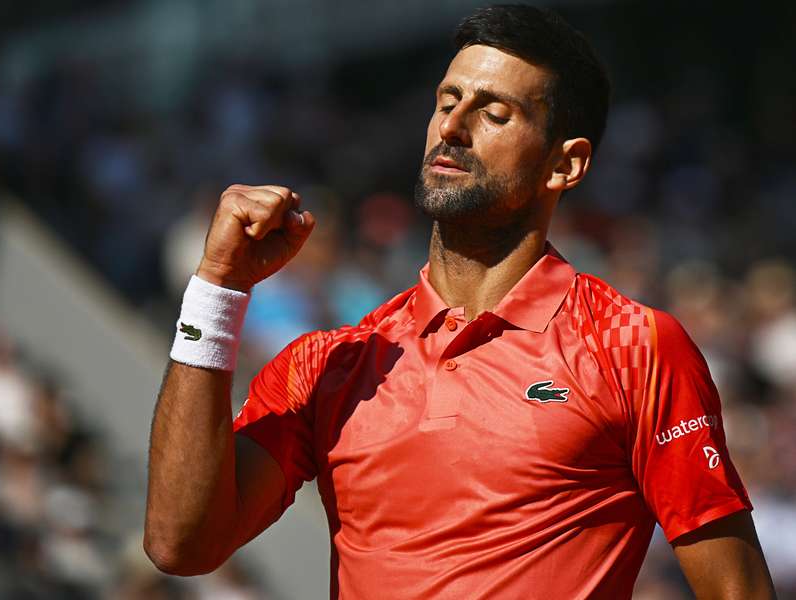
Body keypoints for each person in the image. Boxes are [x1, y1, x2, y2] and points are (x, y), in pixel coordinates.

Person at [144, 5, 776, 598]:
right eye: (447, 102)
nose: (452, 126)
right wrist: (218, 289)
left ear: (566, 164)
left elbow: (735, 588)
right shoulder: (331, 363)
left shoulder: (634, 347)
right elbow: (180, 542)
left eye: (493, 113)